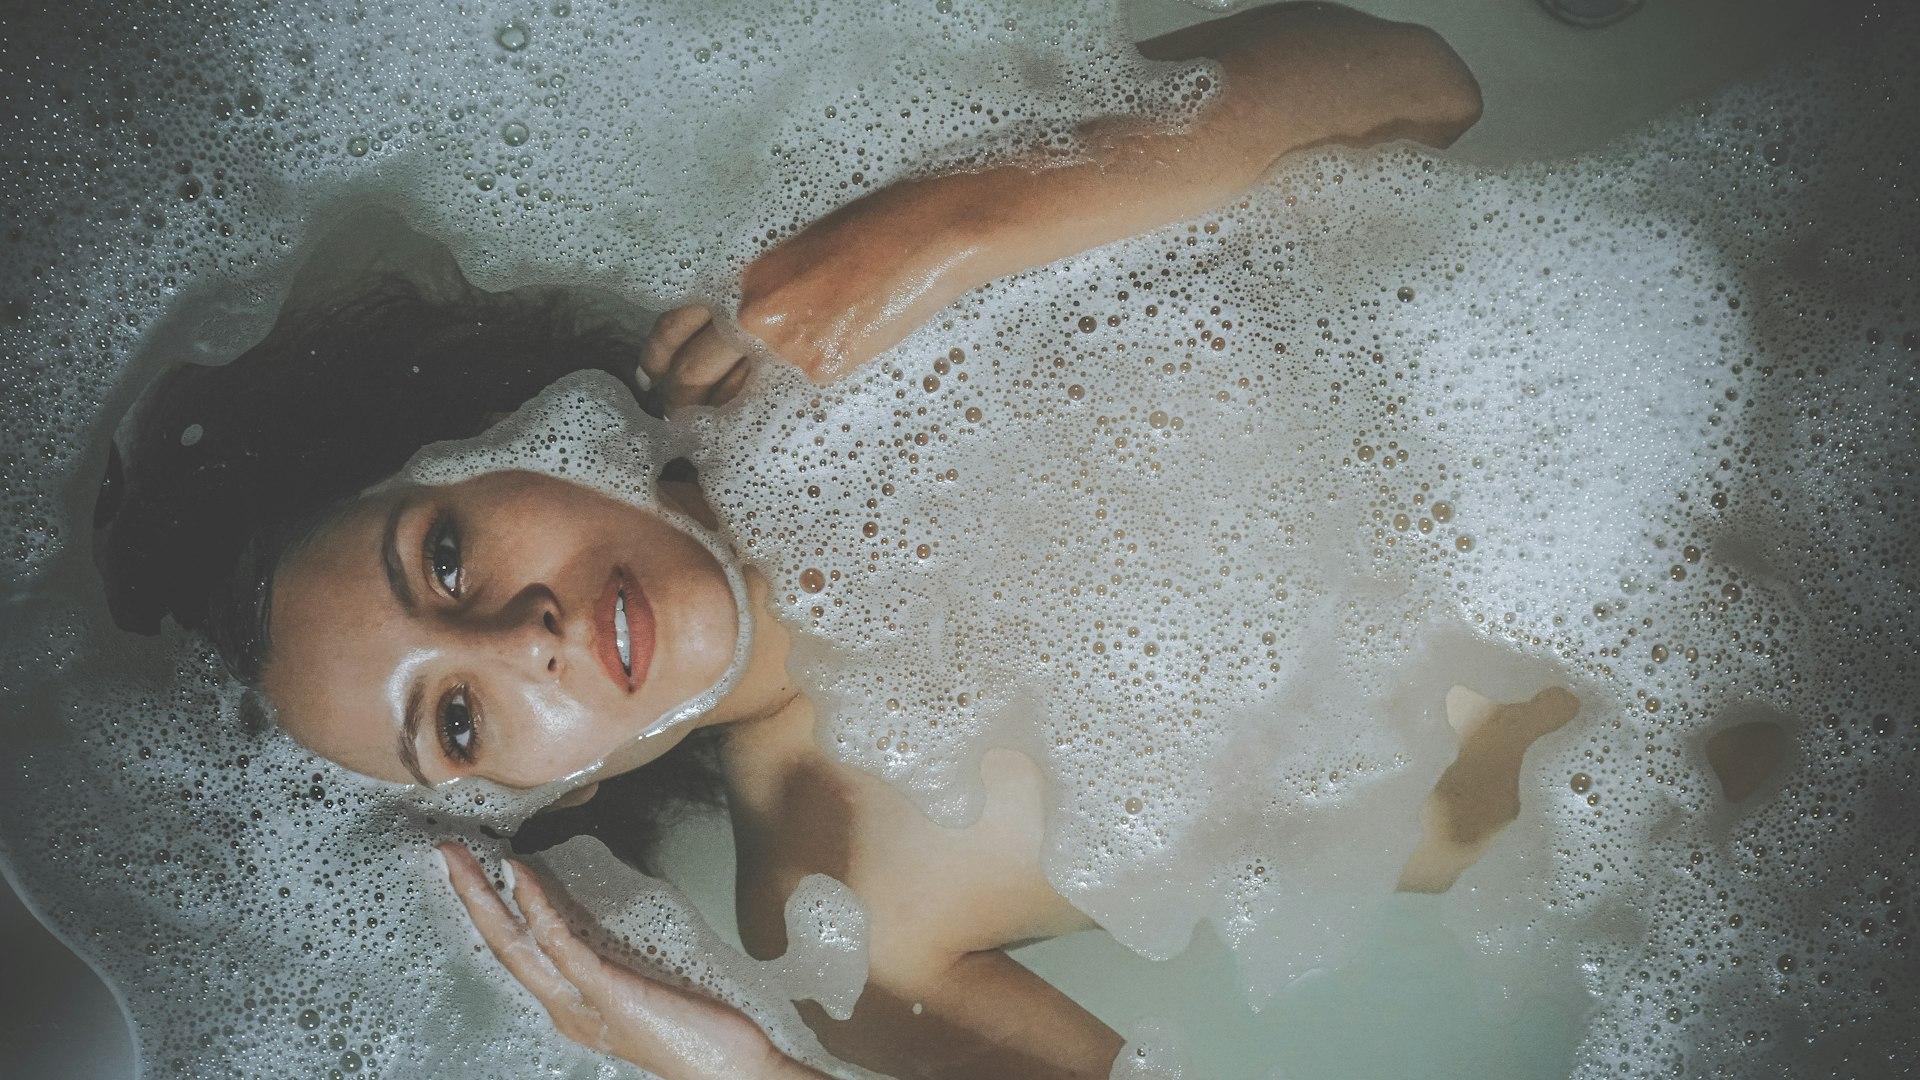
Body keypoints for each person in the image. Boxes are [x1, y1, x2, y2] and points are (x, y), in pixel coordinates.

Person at [95, 5, 1481, 1077]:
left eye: (445, 560)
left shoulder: (848, 267)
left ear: (493, 432)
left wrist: (948, 227)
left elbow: (1419, 81)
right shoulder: (838, 909)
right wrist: (756, 1068)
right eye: (458, 723)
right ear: (546, 802)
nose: (522, 641)